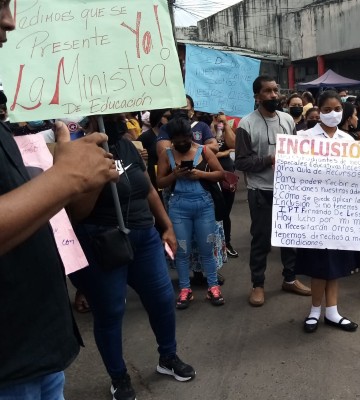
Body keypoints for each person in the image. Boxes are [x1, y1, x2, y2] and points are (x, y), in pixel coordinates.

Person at [0, 4, 116, 397]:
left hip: (37, 353)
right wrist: (66, 177)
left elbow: (49, 213)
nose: (10, 22)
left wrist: (86, 179)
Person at [68, 114, 196, 399]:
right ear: (92, 118)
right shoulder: (77, 153)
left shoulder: (126, 147)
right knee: (111, 311)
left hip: (144, 236)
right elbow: (75, 213)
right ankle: (119, 376)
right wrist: (100, 179)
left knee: (162, 300)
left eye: (121, 115)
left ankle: (168, 357)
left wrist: (167, 226)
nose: (120, 120)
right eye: (112, 115)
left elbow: (148, 188)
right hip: (105, 241)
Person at [235, 75, 311, 306]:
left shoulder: (288, 120)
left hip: (287, 189)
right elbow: (241, 162)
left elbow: (296, 151)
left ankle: (289, 279)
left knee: (289, 238)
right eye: (268, 91)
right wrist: (270, 160)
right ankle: (258, 285)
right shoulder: (245, 124)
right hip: (260, 190)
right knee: (261, 240)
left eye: (275, 91)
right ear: (257, 96)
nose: (274, 95)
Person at [296, 90, 359, 333]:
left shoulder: (348, 141)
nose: (332, 114)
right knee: (317, 263)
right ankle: (314, 311)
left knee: (335, 263)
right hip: (314, 211)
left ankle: (332, 312)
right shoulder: (303, 137)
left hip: (340, 212)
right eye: (326, 110)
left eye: (336, 109)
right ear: (317, 111)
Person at [157, 117, 226, 309]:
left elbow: (221, 173)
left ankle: (213, 286)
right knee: (181, 250)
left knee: (207, 248)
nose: (181, 143)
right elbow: (159, 183)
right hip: (178, 208)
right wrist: (174, 175)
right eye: (176, 140)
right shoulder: (166, 154)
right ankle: (185, 289)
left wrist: (201, 174)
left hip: (204, 206)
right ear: (171, 139)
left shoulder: (204, 151)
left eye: (184, 139)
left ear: (190, 136)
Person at [211, 113, 239, 258]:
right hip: (210, 175)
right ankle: (214, 245)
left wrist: (226, 125)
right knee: (213, 211)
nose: (218, 117)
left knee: (225, 211)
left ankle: (226, 243)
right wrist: (225, 153)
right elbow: (206, 152)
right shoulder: (203, 127)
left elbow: (234, 145)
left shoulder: (226, 126)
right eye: (215, 115)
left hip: (227, 175)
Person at [138, 109, 168, 190]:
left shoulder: (174, 135)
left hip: (170, 178)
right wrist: (141, 156)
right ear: (157, 117)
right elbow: (133, 156)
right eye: (166, 116)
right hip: (153, 180)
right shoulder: (145, 137)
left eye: (171, 116)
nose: (169, 119)